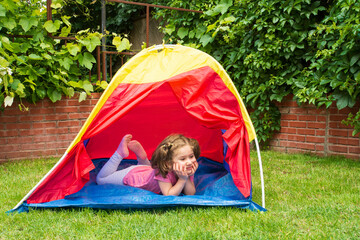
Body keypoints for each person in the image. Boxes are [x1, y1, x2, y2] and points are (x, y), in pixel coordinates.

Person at [96, 134, 200, 196]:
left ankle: (142, 159)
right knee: (100, 179)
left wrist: (187, 177)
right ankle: (119, 153)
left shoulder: (185, 168)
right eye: (183, 159)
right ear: (168, 163)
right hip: (133, 176)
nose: (189, 162)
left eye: (191, 156)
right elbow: (168, 194)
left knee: (149, 171)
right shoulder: (163, 171)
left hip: (146, 170)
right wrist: (182, 180)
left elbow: (190, 194)